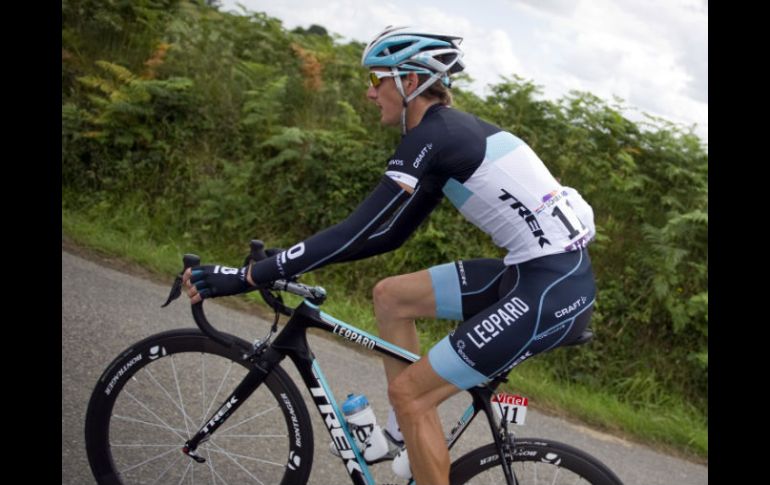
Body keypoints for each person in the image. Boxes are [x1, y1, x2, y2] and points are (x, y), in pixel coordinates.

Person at [183, 25, 597, 485]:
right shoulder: (448, 136)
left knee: (412, 393)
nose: (369, 92)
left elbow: (353, 229)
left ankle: (410, 414)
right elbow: (387, 236)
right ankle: (403, 436)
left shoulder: (435, 137)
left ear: (409, 81)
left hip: (551, 288)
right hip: (535, 272)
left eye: (378, 80)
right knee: (391, 296)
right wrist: (289, 261)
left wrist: (248, 277)